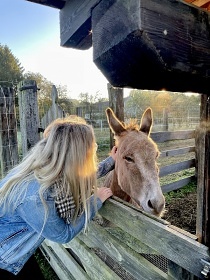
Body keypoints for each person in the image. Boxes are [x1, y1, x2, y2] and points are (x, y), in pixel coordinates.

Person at [0, 116, 117, 276]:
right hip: (5, 260)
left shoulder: (46, 167)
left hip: (12, 249)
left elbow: (82, 174)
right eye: (90, 149)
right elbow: (63, 234)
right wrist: (95, 202)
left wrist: (112, 160)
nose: (93, 151)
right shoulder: (36, 197)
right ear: (75, 154)